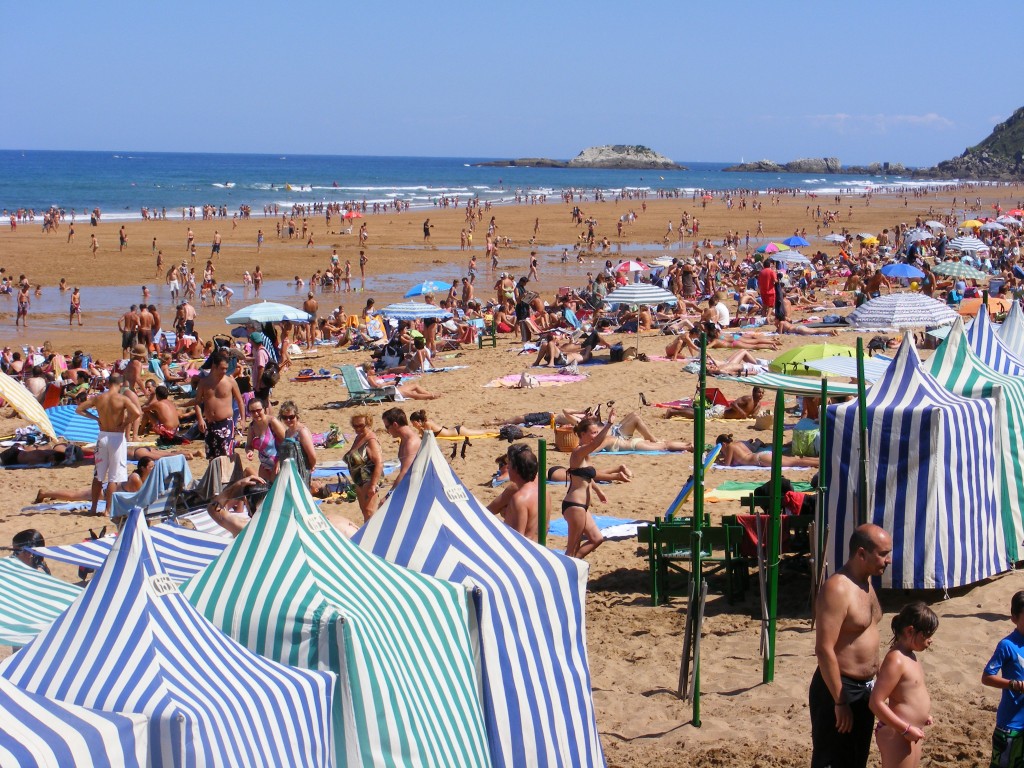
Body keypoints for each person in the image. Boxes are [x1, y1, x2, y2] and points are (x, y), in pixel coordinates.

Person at [811, 524, 893, 768]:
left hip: (865, 688)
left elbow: (869, 632)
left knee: (856, 760)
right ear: (861, 553)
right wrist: (840, 700)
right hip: (838, 687)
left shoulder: (866, 584)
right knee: (831, 761)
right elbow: (824, 649)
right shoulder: (837, 589)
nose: (888, 560)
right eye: (883, 553)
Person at [869, 602, 938, 768]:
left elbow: (909, 693)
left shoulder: (910, 656)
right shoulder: (896, 659)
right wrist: (905, 729)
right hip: (897, 732)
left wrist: (923, 715)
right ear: (910, 631)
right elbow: (876, 702)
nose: (931, 640)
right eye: (927, 635)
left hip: (911, 730)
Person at [78, 373, 144, 516]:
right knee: (114, 476)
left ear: (108, 383)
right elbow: (137, 413)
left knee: (98, 475)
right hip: (116, 437)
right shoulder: (122, 399)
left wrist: (96, 418)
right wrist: (125, 423)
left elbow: (79, 409)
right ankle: (108, 509)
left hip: (102, 436)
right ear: (120, 384)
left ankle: (93, 508)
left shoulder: (99, 398)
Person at [562, 413, 615, 558]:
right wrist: (609, 424)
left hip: (582, 507)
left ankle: (573, 565)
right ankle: (569, 570)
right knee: (572, 548)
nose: (595, 435)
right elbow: (595, 443)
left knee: (596, 538)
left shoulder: (586, 454)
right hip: (574, 505)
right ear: (582, 434)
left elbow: (587, 476)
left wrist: (598, 491)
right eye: (593, 433)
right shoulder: (578, 452)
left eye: (597, 432)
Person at [983, 590, 1024, 768]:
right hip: (1011, 725)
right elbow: (987, 677)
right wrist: (1013, 684)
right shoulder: (1007, 645)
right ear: (1014, 617)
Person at [35, 456, 154, 505]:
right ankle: (45, 493)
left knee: (76, 493)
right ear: (142, 468)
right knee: (75, 495)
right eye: (151, 467)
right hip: (104, 493)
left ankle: (52, 494)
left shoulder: (145, 476)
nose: (153, 469)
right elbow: (140, 498)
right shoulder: (135, 478)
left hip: (110, 489)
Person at [194, 349, 245, 460]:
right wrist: (200, 419)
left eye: (226, 369)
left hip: (225, 422)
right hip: (209, 423)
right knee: (212, 457)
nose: (224, 371)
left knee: (226, 456)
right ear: (214, 366)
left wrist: (243, 419)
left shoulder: (230, 381)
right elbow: (197, 402)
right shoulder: (204, 382)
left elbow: (240, 400)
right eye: (222, 368)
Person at [486, 443, 539, 540]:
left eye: (508, 464)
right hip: (538, 548)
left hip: (520, 549)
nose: (507, 467)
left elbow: (489, 511)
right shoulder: (543, 491)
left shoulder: (517, 492)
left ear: (516, 468)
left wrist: (509, 513)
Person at [344, 413, 383, 522]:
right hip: (359, 480)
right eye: (355, 426)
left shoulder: (371, 440)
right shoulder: (359, 437)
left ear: (368, 424)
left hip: (369, 479)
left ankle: (372, 537)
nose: (357, 428)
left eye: (361, 425)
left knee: (369, 512)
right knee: (365, 512)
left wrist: (373, 485)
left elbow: (379, 463)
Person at [715, 433, 819, 467]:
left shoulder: (729, 447)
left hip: (760, 459)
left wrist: (718, 461)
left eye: (721, 449)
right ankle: (820, 461)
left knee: (795, 462)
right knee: (795, 460)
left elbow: (727, 465)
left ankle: (821, 464)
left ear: (723, 444)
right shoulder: (738, 443)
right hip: (762, 455)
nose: (722, 451)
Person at [244, 398, 284, 483]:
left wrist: (280, 461)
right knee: (264, 491)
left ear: (264, 409)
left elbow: (287, 442)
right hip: (264, 466)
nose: (256, 413)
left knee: (273, 491)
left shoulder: (272, 422)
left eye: (258, 410)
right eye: (252, 411)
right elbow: (248, 445)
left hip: (278, 463)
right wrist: (249, 451)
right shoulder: (252, 427)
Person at [277, 400, 316, 486]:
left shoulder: (302, 432)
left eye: (291, 417)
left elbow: (312, 455)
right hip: (290, 471)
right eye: (284, 417)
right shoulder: (287, 432)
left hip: (301, 471)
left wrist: (309, 467)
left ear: (296, 416)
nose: (288, 420)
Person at [664, 387, 765, 419]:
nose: (760, 394)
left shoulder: (758, 404)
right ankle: (673, 412)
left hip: (722, 414)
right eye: (759, 392)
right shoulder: (748, 398)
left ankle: (676, 410)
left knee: (700, 412)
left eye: (762, 393)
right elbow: (733, 404)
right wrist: (741, 412)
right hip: (721, 412)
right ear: (753, 392)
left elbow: (753, 415)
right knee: (700, 416)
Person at [382, 407, 420, 492]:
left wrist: (390, 494)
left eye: (387, 427)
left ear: (395, 425)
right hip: (409, 485)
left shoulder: (411, 443)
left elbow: (405, 472)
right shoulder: (404, 440)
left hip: (416, 488)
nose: (387, 431)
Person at [361, 362, 439, 400]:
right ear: (367, 370)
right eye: (372, 368)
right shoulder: (370, 378)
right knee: (411, 394)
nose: (374, 369)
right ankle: (430, 396)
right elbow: (377, 387)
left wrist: (392, 383)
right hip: (385, 392)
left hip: (390, 389)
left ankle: (430, 394)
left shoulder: (375, 376)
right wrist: (389, 383)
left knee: (415, 386)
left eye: (374, 367)